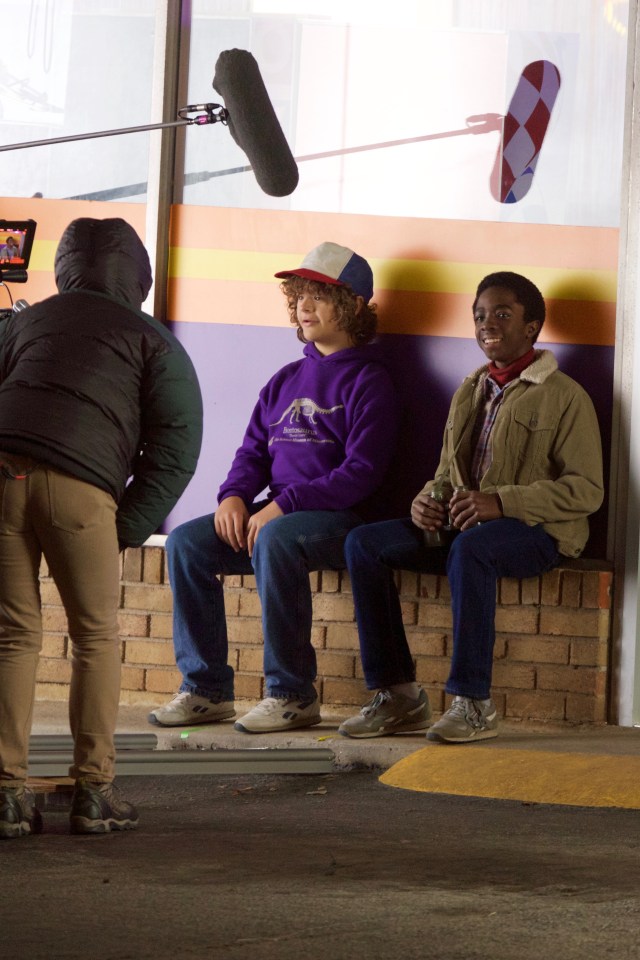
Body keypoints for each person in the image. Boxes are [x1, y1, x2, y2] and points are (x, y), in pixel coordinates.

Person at [0, 217, 203, 838]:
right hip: (80, 487)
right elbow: (176, 443)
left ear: (65, 266)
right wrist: (126, 524)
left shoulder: (28, 320)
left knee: (11, 635)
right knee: (94, 636)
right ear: (136, 273)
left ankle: (5, 796)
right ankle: (94, 791)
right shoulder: (152, 339)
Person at [338, 271, 604, 743]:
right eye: (480, 315)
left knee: (473, 549)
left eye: (503, 314)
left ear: (532, 327)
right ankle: (398, 694)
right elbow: (446, 473)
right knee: (364, 542)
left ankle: (473, 703)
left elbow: (586, 491)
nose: (488, 324)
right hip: (468, 527)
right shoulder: (470, 390)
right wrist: (426, 501)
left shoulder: (565, 397)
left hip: (540, 533)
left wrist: (502, 502)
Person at [149, 241, 400, 734]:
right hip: (279, 515)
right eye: (300, 294)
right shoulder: (285, 379)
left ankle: (291, 695)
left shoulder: (370, 381)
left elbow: (362, 473)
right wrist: (235, 497)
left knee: (276, 537)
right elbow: (253, 454)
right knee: (186, 543)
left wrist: (284, 505)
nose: (304, 306)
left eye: (319, 295)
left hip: (340, 521)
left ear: (351, 305)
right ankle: (206, 689)